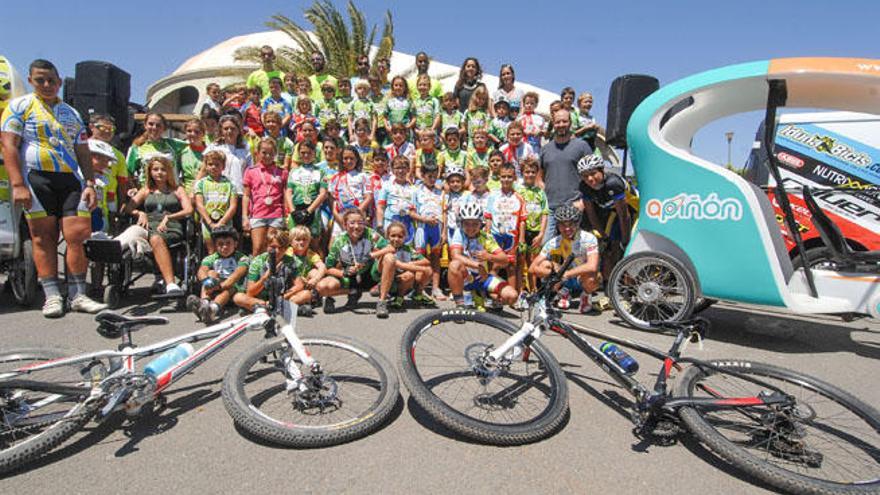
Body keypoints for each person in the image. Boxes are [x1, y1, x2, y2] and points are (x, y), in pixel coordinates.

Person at [1, 59, 107, 317]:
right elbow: (9, 146)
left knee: (78, 235)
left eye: (51, 80)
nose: (47, 85)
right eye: (40, 80)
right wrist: (18, 184)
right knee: (43, 238)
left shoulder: (72, 113)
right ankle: (52, 296)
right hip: (36, 180)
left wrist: (91, 182)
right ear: (31, 81)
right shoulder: (20, 107)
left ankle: (78, 294)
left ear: (59, 82)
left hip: (70, 180)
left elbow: (83, 151)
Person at [122, 155, 194, 295]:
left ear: (169, 172)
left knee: (155, 238)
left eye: (163, 169)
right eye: (155, 169)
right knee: (132, 233)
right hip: (148, 226)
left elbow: (189, 210)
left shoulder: (177, 190)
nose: (159, 173)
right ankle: (110, 249)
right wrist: (140, 213)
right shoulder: (146, 190)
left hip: (170, 227)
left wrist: (169, 217)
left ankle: (170, 284)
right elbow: (128, 208)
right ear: (150, 172)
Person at [529, 203, 600, 314]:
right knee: (544, 265)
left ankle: (586, 295)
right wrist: (552, 271)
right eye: (562, 225)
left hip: (581, 277)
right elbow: (532, 268)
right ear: (557, 225)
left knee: (593, 277)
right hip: (562, 279)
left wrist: (566, 274)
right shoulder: (553, 242)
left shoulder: (589, 238)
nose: (567, 228)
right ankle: (562, 292)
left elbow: (592, 265)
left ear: (577, 223)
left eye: (571, 224)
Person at [577, 153, 638, 281]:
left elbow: (624, 216)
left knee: (627, 248)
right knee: (608, 249)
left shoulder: (613, 184)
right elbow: (591, 214)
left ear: (602, 170)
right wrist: (603, 236)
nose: (590, 179)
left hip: (634, 210)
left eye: (593, 173)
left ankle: (630, 284)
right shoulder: (585, 187)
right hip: (613, 212)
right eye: (585, 176)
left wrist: (626, 241)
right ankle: (610, 286)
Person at [316, 207, 388, 314]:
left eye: (360, 223)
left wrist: (371, 255)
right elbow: (328, 267)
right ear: (345, 225)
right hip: (349, 277)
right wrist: (343, 272)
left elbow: (390, 248)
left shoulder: (371, 234)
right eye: (352, 223)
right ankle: (351, 292)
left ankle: (382, 301)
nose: (357, 226)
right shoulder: (339, 241)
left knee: (389, 258)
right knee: (322, 287)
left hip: (368, 274)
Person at [447, 202, 518, 308]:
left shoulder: (486, 237)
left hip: (483, 277)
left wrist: (489, 257)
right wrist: (477, 265)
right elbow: (455, 256)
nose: (471, 228)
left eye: (475, 224)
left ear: (481, 224)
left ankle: (488, 296)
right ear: (461, 224)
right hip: (466, 276)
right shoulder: (459, 233)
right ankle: (460, 304)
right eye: (467, 224)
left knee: (512, 296)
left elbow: (504, 260)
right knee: (454, 265)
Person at [540, 109, 592, 238]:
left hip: (573, 205)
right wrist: (544, 194)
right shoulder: (545, 149)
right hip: (550, 207)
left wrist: (583, 200)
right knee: (545, 247)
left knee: (574, 249)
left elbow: (592, 176)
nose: (561, 124)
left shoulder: (582, 146)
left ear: (570, 123)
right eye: (558, 122)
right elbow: (539, 177)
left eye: (564, 121)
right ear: (553, 124)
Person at [188, 225, 249, 323]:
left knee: (227, 289)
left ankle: (212, 310)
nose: (224, 247)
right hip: (214, 286)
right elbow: (202, 270)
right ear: (215, 246)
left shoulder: (242, 258)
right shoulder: (211, 258)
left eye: (228, 243)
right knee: (211, 273)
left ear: (235, 244)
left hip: (234, 288)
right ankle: (204, 304)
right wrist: (206, 281)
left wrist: (220, 287)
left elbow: (235, 276)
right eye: (220, 244)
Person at [375, 220, 434, 318]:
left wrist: (412, 263)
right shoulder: (385, 246)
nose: (396, 239)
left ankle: (416, 294)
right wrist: (414, 267)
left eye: (400, 236)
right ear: (387, 236)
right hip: (384, 278)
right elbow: (398, 265)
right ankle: (385, 299)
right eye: (393, 236)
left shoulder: (407, 249)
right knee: (412, 274)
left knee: (425, 269)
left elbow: (426, 261)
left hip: (400, 277)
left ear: (405, 237)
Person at [485, 162, 526, 294]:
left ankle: (512, 295)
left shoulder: (519, 198)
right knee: (494, 265)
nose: (506, 179)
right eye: (503, 176)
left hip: (511, 236)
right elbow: (488, 218)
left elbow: (522, 221)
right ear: (499, 177)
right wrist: (487, 235)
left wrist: (521, 239)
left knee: (511, 266)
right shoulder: (492, 196)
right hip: (495, 235)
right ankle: (492, 294)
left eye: (509, 177)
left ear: (514, 178)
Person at [242, 137, 287, 255]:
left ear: (275, 154)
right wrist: (245, 217)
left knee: (272, 248)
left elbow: (285, 195)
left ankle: (271, 272)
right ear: (257, 153)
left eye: (271, 153)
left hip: (276, 214)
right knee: (257, 248)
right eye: (264, 153)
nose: (267, 156)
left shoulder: (282, 172)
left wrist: (286, 214)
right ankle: (255, 273)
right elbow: (246, 196)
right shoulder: (251, 171)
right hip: (258, 214)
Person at [233, 228, 293, 313]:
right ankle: (267, 306)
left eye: (281, 248)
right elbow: (250, 292)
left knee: (306, 294)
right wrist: (265, 277)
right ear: (266, 246)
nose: (277, 251)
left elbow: (298, 285)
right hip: (260, 298)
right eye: (273, 247)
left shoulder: (290, 260)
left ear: (286, 249)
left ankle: (263, 308)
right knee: (238, 297)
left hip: (281, 297)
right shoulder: (257, 262)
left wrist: (282, 298)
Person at [285, 140, 328, 254]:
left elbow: (323, 194)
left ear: (314, 153)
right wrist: (293, 211)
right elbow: (288, 192)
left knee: (314, 244)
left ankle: (319, 270)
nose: (306, 155)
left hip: (313, 211)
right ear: (299, 154)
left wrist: (308, 211)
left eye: (309, 152)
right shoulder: (293, 171)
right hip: (296, 210)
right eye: (303, 152)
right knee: (294, 243)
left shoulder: (320, 171)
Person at [411, 161, 445, 301]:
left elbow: (444, 213)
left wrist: (443, 232)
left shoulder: (441, 192)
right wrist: (424, 220)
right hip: (422, 228)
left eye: (434, 176)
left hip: (437, 229)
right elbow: (411, 212)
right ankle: (420, 288)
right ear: (423, 176)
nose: (432, 179)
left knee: (436, 259)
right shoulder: (416, 191)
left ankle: (436, 288)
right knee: (421, 259)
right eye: (429, 176)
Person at [194, 150, 237, 254]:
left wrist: (221, 223)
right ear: (206, 166)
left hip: (225, 222)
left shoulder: (231, 184)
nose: (213, 167)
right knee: (212, 250)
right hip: (208, 222)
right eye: (210, 164)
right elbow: (199, 204)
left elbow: (233, 206)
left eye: (217, 165)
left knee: (225, 249)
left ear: (223, 166)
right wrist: (210, 223)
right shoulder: (201, 183)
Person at [126, 112, 186, 186]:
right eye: (151, 124)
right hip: (147, 192)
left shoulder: (174, 144)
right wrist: (134, 188)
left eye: (158, 125)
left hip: (172, 192)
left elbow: (195, 142)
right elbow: (128, 172)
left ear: (164, 128)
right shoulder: (136, 147)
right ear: (145, 125)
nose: (154, 127)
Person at [516, 157, 549, 293]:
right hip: (521, 232)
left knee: (533, 262)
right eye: (527, 172)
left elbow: (545, 213)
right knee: (520, 262)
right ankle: (520, 289)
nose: (530, 175)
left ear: (537, 173)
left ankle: (533, 289)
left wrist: (541, 234)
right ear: (522, 173)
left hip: (535, 232)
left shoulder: (540, 192)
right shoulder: (517, 190)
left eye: (533, 172)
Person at [87, 114, 128, 220]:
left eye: (111, 128)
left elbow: (122, 183)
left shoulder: (118, 155)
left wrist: (122, 203)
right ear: (91, 127)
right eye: (102, 127)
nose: (107, 131)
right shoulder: (80, 147)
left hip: (107, 205)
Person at [283, 225, 326, 316]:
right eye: (298, 239)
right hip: (290, 285)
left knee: (314, 272)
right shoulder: (287, 253)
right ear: (291, 241)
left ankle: (307, 300)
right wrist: (299, 280)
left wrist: (315, 279)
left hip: (305, 284)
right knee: (303, 294)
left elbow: (322, 267)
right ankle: (299, 304)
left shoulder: (310, 253)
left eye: (305, 239)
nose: (301, 242)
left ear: (309, 241)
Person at [327, 145, 372, 230]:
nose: (349, 161)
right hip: (340, 217)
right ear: (341, 160)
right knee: (336, 242)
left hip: (358, 215)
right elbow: (332, 202)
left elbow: (368, 197)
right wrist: (340, 219)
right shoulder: (335, 178)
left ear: (357, 159)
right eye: (345, 158)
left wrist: (356, 214)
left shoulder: (363, 176)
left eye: (352, 158)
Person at [376, 155, 415, 241]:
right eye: (397, 168)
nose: (400, 171)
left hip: (407, 225)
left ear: (408, 169)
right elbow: (380, 207)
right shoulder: (386, 185)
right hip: (390, 223)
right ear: (392, 170)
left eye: (403, 168)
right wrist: (379, 225)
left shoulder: (413, 189)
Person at [179, 118, 207, 195]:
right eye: (189, 131)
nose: (193, 134)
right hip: (187, 194)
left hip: (206, 192)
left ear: (203, 133)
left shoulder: (209, 152)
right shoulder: (182, 152)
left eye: (197, 132)